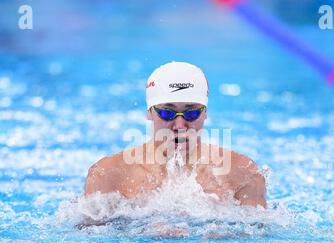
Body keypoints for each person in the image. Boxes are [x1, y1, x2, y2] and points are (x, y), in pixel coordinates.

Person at [84, 61, 267, 208]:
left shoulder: (242, 173)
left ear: (205, 113)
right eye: (167, 113)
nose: (180, 125)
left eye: (191, 113)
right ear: (149, 112)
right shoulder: (108, 174)